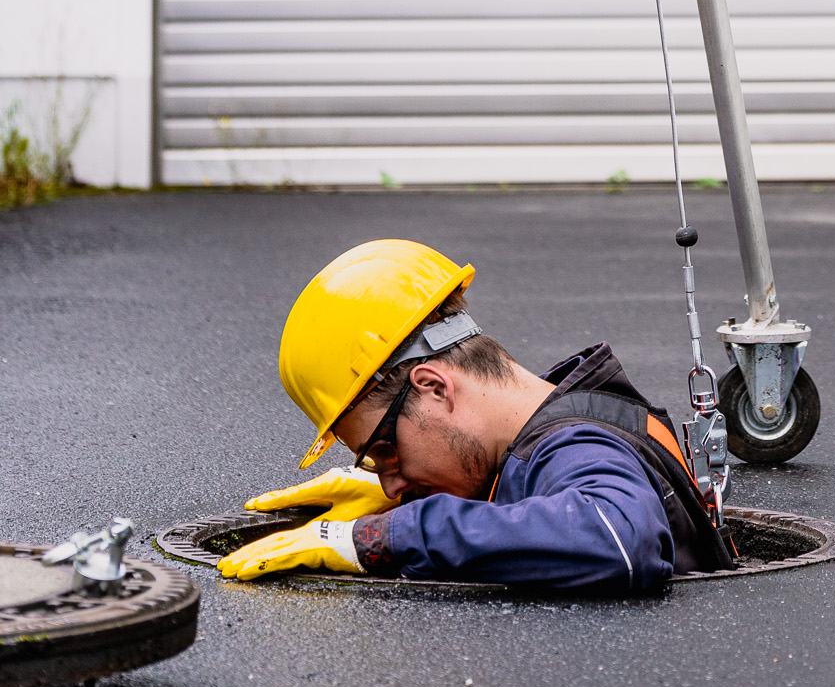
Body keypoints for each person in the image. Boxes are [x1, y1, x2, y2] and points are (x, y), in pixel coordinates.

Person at [217, 237, 731, 591]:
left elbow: (619, 537)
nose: (392, 485)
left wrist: (387, 535)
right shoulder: (582, 414)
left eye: (383, 451)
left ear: (435, 387)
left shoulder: (575, 446)